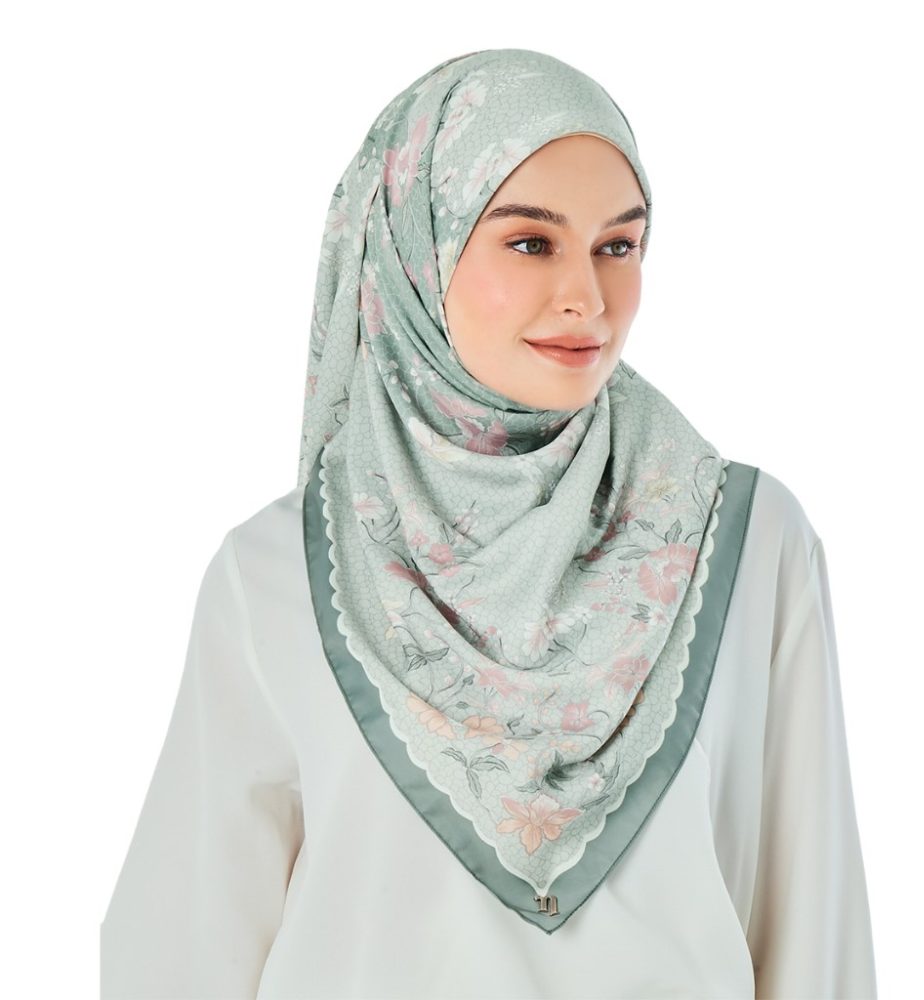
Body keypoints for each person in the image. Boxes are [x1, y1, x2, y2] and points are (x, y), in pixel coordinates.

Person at [100, 47, 877, 999]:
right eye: (531, 243)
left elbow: (815, 929)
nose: (587, 297)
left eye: (618, 245)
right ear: (416, 249)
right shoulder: (279, 572)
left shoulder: (747, 542)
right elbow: (183, 948)